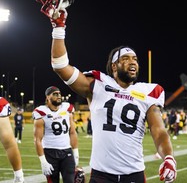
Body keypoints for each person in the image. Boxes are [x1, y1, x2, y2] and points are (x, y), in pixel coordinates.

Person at [43, 9, 177, 182]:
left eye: (135, 59)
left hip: (134, 175)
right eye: (126, 58)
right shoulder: (97, 84)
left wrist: (168, 157)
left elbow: (158, 131)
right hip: (101, 175)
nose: (133, 62)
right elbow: (60, 66)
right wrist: (59, 28)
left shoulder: (149, 92)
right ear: (114, 66)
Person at [33, 86, 79, 183]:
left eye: (59, 94)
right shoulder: (41, 112)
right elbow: (37, 140)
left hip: (67, 152)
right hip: (50, 153)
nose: (58, 96)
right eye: (55, 94)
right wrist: (43, 161)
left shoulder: (67, 109)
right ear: (47, 97)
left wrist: (76, 153)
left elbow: (72, 132)